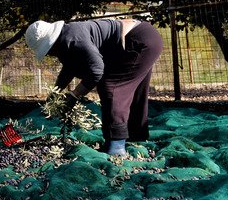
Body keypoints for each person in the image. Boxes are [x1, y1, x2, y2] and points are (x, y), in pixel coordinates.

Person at [25, 17, 163, 156]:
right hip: (144, 38)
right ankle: (135, 137)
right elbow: (69, 69)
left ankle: (117, 147)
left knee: (111, 88)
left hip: (140, 41)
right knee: (133, 91)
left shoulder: (73, 39)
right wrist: (55, 94)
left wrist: (74, 95)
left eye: (47, 50)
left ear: (51, 41)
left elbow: (96, 71)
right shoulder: (66, 38)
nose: (49, 54)